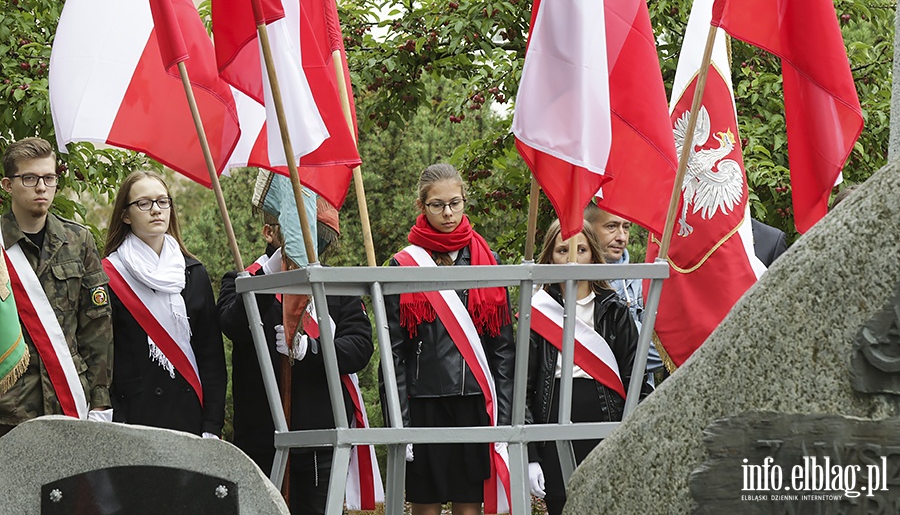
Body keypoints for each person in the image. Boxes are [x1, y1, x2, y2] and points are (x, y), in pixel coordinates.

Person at [217, 213, 375, 515]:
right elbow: (232, 325)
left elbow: (359, 347)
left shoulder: (337, 285)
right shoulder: (241, 280)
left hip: (320, 436)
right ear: (269, 233)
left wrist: (311, 349)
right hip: (262, 437)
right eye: (294, 229)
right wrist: (268, 275)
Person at [383, 163, 515, 515]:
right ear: (421, 206)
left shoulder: (488, 261)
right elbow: (394, 351)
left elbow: (501, 347)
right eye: (437, 204)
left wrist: (505, 419)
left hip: (474, 400)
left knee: (469, 505)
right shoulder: (403, 264)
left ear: (464, 202)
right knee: (424, 505)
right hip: (423, 401)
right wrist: (399, 420)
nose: (448, 213)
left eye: (455, 203)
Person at [525, 219, 652, 515]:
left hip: (606, 419)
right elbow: (524, 389)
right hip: (553, 422)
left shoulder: (615, 310)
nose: (572, 259)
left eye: (581, 249)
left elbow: (637, 380)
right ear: (549, 258)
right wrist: (530, 454)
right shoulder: (537, 312)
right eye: (562, 250)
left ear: (593, 255)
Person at [0, 137, 113, 435]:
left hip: (70, 399)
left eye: (49, 178)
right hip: (9, 410)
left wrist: (100, 403)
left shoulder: (79, 241)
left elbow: (97, 327)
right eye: (30, 178)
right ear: (7, 185)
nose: (41, 187)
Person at [102, 171, 225, 437]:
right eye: (144, 203)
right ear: (125, 215)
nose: (156, 210)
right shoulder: (108, 276)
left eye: (163, 201)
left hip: (190, 416)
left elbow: (211, 355)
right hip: (134, 421)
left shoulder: (193, 273)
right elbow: (103, 360)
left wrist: (213, 425)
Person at [583, 202, 663, 383]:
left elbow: (661, 350)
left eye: (626, 228)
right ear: (587, 228)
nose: (622, 237)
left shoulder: (642, 281)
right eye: (611, 227)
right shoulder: (561, 282)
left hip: (634, 398)